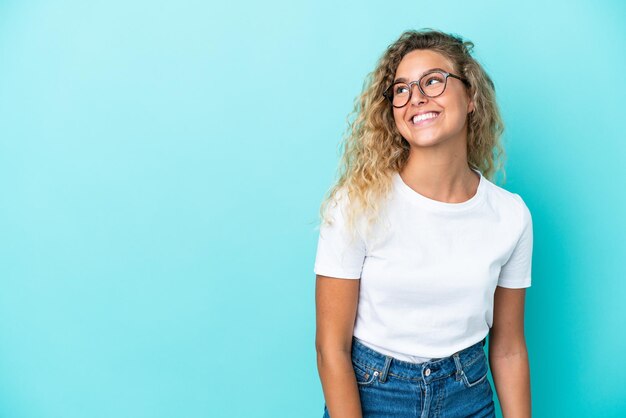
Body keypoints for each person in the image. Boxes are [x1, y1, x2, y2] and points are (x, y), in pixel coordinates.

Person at [313, 29, 533, 418]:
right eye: (402, 89)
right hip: (374, 395)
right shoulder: (356, 204)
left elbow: (509, 347)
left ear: (471, 98)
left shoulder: (511, 216)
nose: (416, 97)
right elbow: (331, 348)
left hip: (468, 395)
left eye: (433, 81)